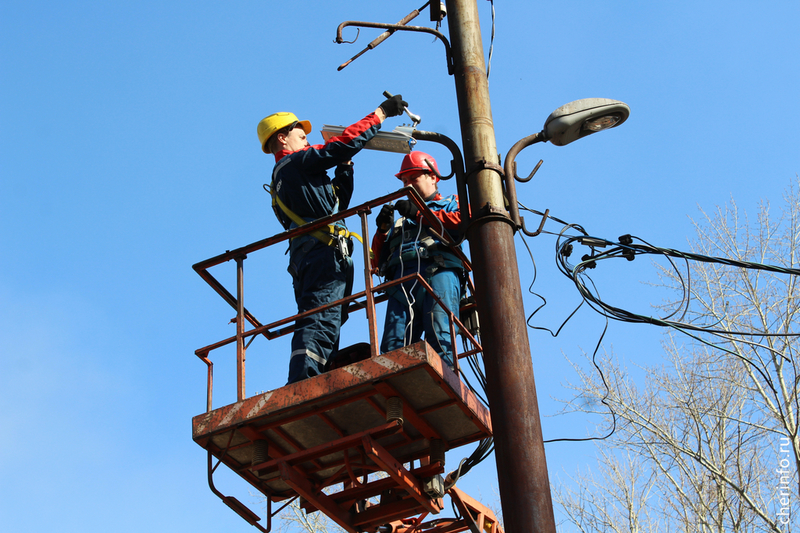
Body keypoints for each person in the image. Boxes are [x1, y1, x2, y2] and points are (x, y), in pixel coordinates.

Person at [257, 94, 408, 384]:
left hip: (315, 254)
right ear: (281, 139)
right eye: (301, 136)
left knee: (328, 315)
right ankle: (305, 380)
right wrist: (379, 114)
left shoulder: (286, 178)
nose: (306, 142)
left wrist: (345, 168)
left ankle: (317, 376)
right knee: (321, 315)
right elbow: (341, 144)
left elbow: (335, 204)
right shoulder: (295, 164)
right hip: (322, 254)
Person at [371, 151, 466, 369]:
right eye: (405, 181)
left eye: (414, 178)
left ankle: (445, 381)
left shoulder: (452, 203)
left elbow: (461, 223)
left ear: (433, 177)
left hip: (439, 273)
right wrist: (382, 231)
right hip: (402, 283)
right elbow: (377, 262)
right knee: (394, 346)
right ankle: (395, 389)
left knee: (440, 336)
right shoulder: (401, 222)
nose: (408, 185)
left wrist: (420, 214)